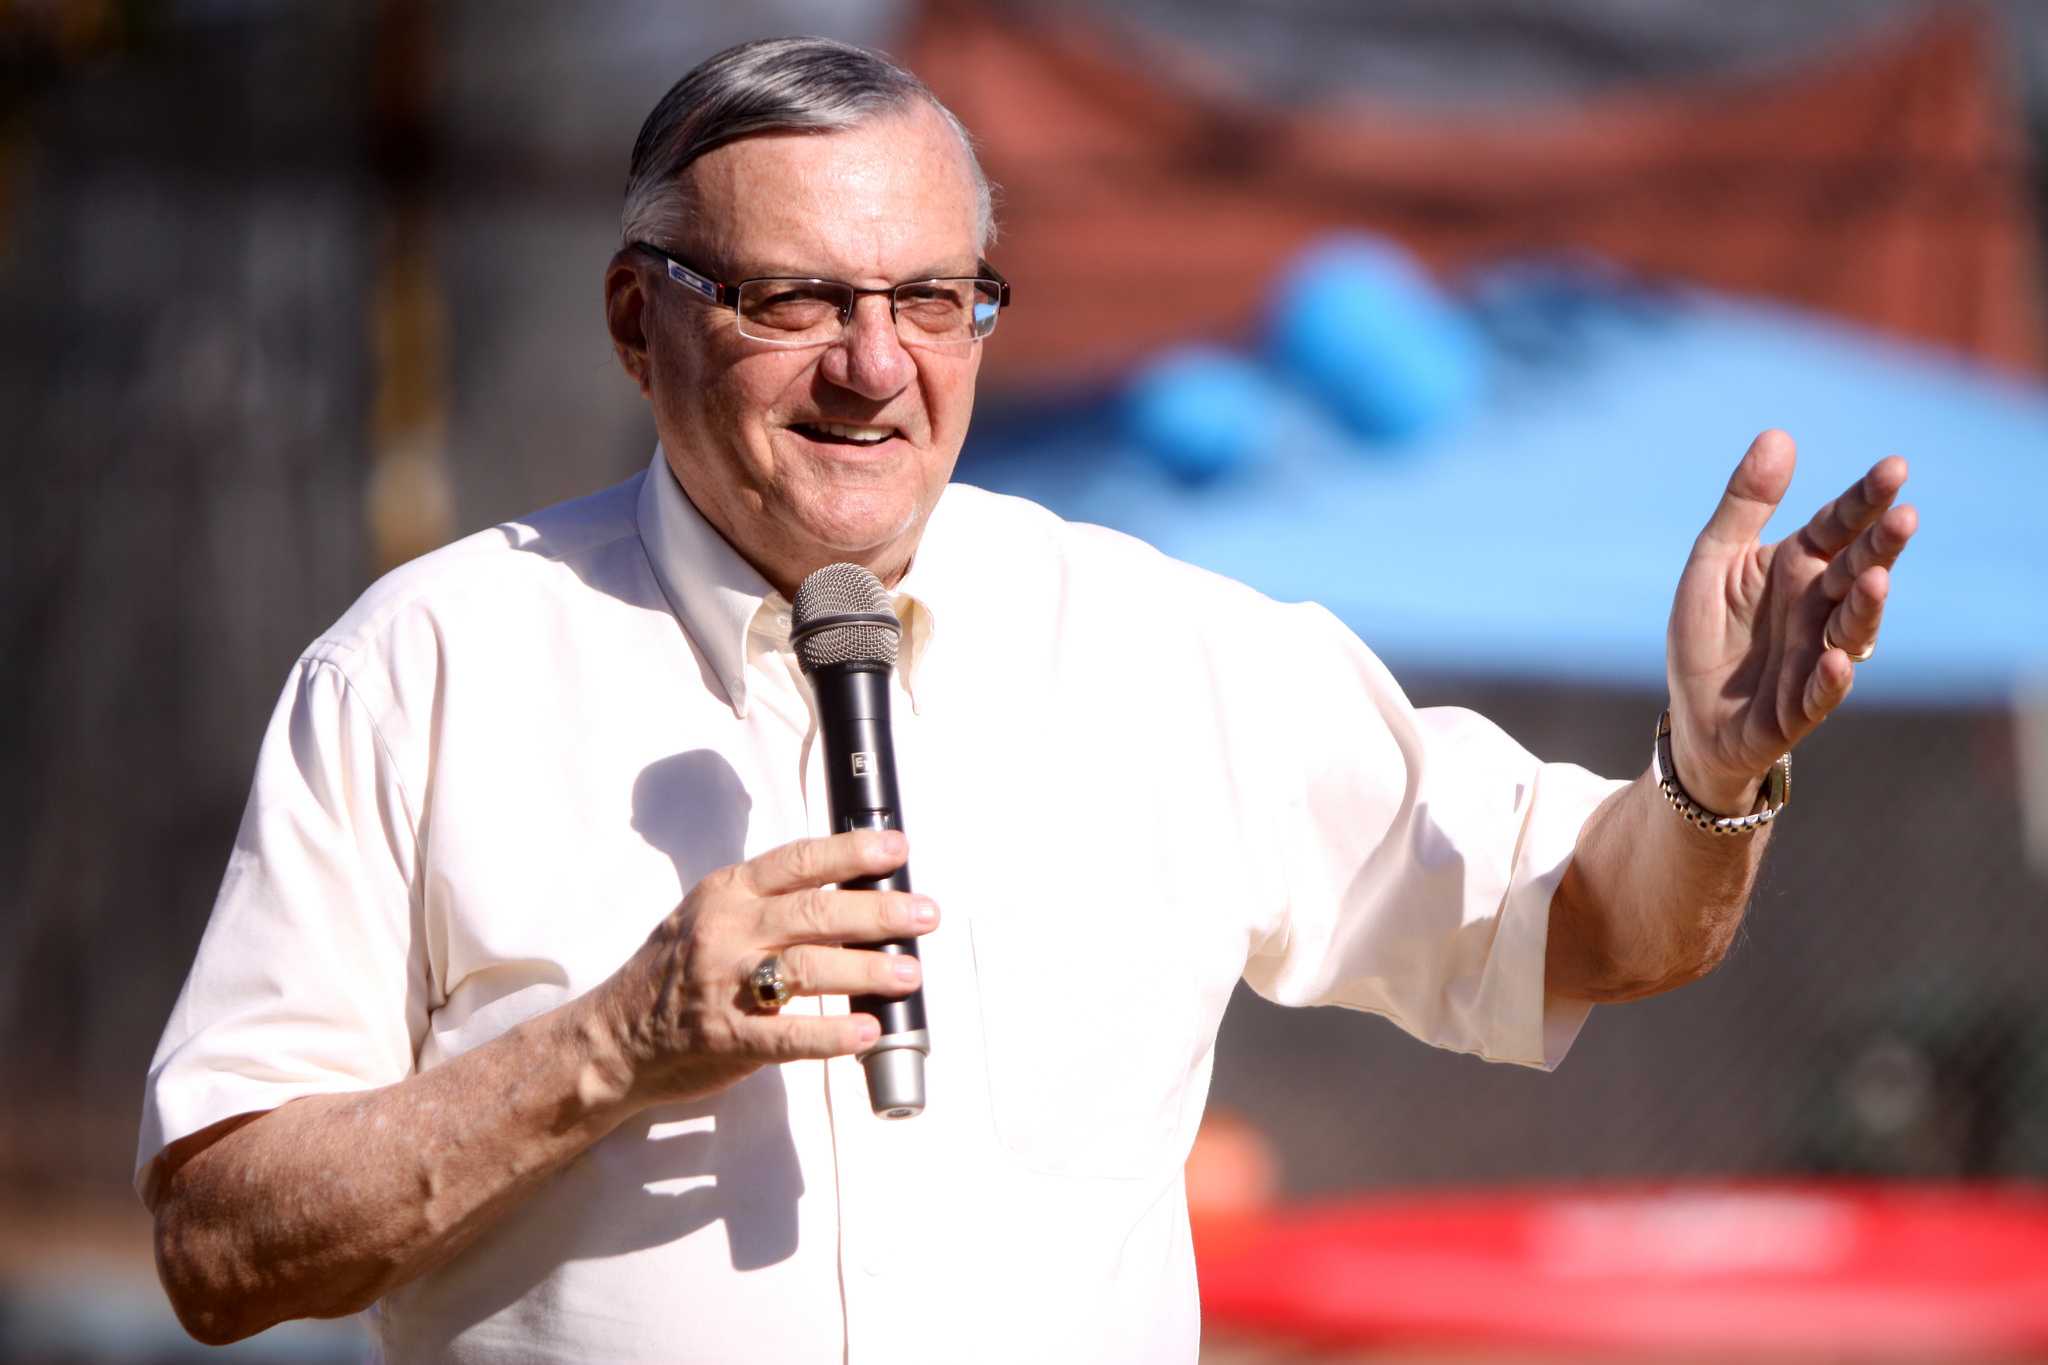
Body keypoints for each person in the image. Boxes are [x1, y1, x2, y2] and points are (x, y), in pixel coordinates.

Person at [136, 35, 1917, 1364]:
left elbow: (1583, 924)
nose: (874, 366)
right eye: (794, 299)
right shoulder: (427, 667)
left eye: (932, 297)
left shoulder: (1161, 647)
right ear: (634, 315)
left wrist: (1713, 766)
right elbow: (219, 1244)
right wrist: (612, 1046)